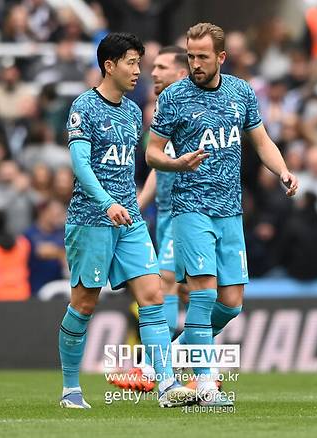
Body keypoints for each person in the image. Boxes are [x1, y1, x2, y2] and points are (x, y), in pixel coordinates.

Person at [146, 23, 298, 406]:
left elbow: (262, 141)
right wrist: (177, 164)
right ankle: (206, 383)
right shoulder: (175, 97)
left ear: (221, 58)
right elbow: (152, 153)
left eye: (203, 57)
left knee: (231, 303)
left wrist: (282, 171)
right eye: (191, 56)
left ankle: (179, 346)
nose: (195, 63)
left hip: (230, 212)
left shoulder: (241, 92)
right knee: (202, 295)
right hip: (190, 209)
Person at [58, 32, 194, 409]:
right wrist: (106, 204)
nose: (139, 72)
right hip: (92, 219)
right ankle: (71, 389)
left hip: (129, 219)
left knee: (152, 295)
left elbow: (128, 169)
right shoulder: (84, 107)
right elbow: (81, 165)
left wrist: (130, 204)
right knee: (84, 304)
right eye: (132, 63)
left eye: (140, 63)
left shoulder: (135, 113)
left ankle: (166, 385)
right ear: (109, 65)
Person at [110, 45, 190, 392]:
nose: (151, 73)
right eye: (150, 67)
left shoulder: (192, 107)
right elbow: (159, 163)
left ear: (181, 74)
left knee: (171, 285)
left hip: (192, 212)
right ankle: (202, 370)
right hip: (169, 215)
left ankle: (154, 367)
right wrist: (140, 203)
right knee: (186, 290)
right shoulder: (161, 112)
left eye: (160, 67)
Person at [23, 200, 67, 296]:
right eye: (55, 213)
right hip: (35, 287)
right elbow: (41, 252)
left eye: (61, 213)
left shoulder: (62, 233)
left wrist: (57, 252)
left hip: (58, 287)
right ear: (43, 212)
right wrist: (60, 253)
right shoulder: (30, 233)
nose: (59, 217)